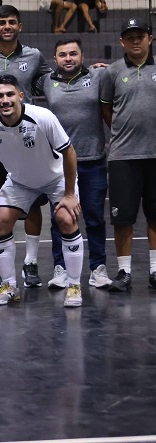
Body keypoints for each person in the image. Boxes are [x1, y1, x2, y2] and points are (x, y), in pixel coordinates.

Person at [0, 75, 83, 307]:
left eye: (10, 94)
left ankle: (74, 286)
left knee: (66, 218)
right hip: (20, 181)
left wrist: (69, 194)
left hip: (55, 179)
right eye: (0, 96)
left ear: (20, 96)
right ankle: (10, 286)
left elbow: (69, 152)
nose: (5, 100)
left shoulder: (42, 117)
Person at [0, 5, 52, 288]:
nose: (6, 26)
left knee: (33, 204)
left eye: (12, 22)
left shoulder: (34, 56)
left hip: (27, 145)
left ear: (20, 27)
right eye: (1, 22)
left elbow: (51, 80)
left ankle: (30, 263)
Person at [43, 38, 111, 291]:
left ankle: (98, 269)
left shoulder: (98, 76)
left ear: (83, 57)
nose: (68, 58)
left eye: (73, 54)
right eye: (63, 55)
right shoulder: (47, 80)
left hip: (92, 161)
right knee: (58, 218)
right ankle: (60, 269)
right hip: (58, 165)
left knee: (94, 218)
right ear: (55, 58)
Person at [99, 18, 156, 292]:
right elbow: (106, 108)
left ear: (150, 39)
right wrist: (123, 131)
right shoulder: (112, 72)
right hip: (123, 156)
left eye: (140, 36)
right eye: (130, 37)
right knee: (123, 219)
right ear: (122, 41)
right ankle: (124, 272)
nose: (135, 41)